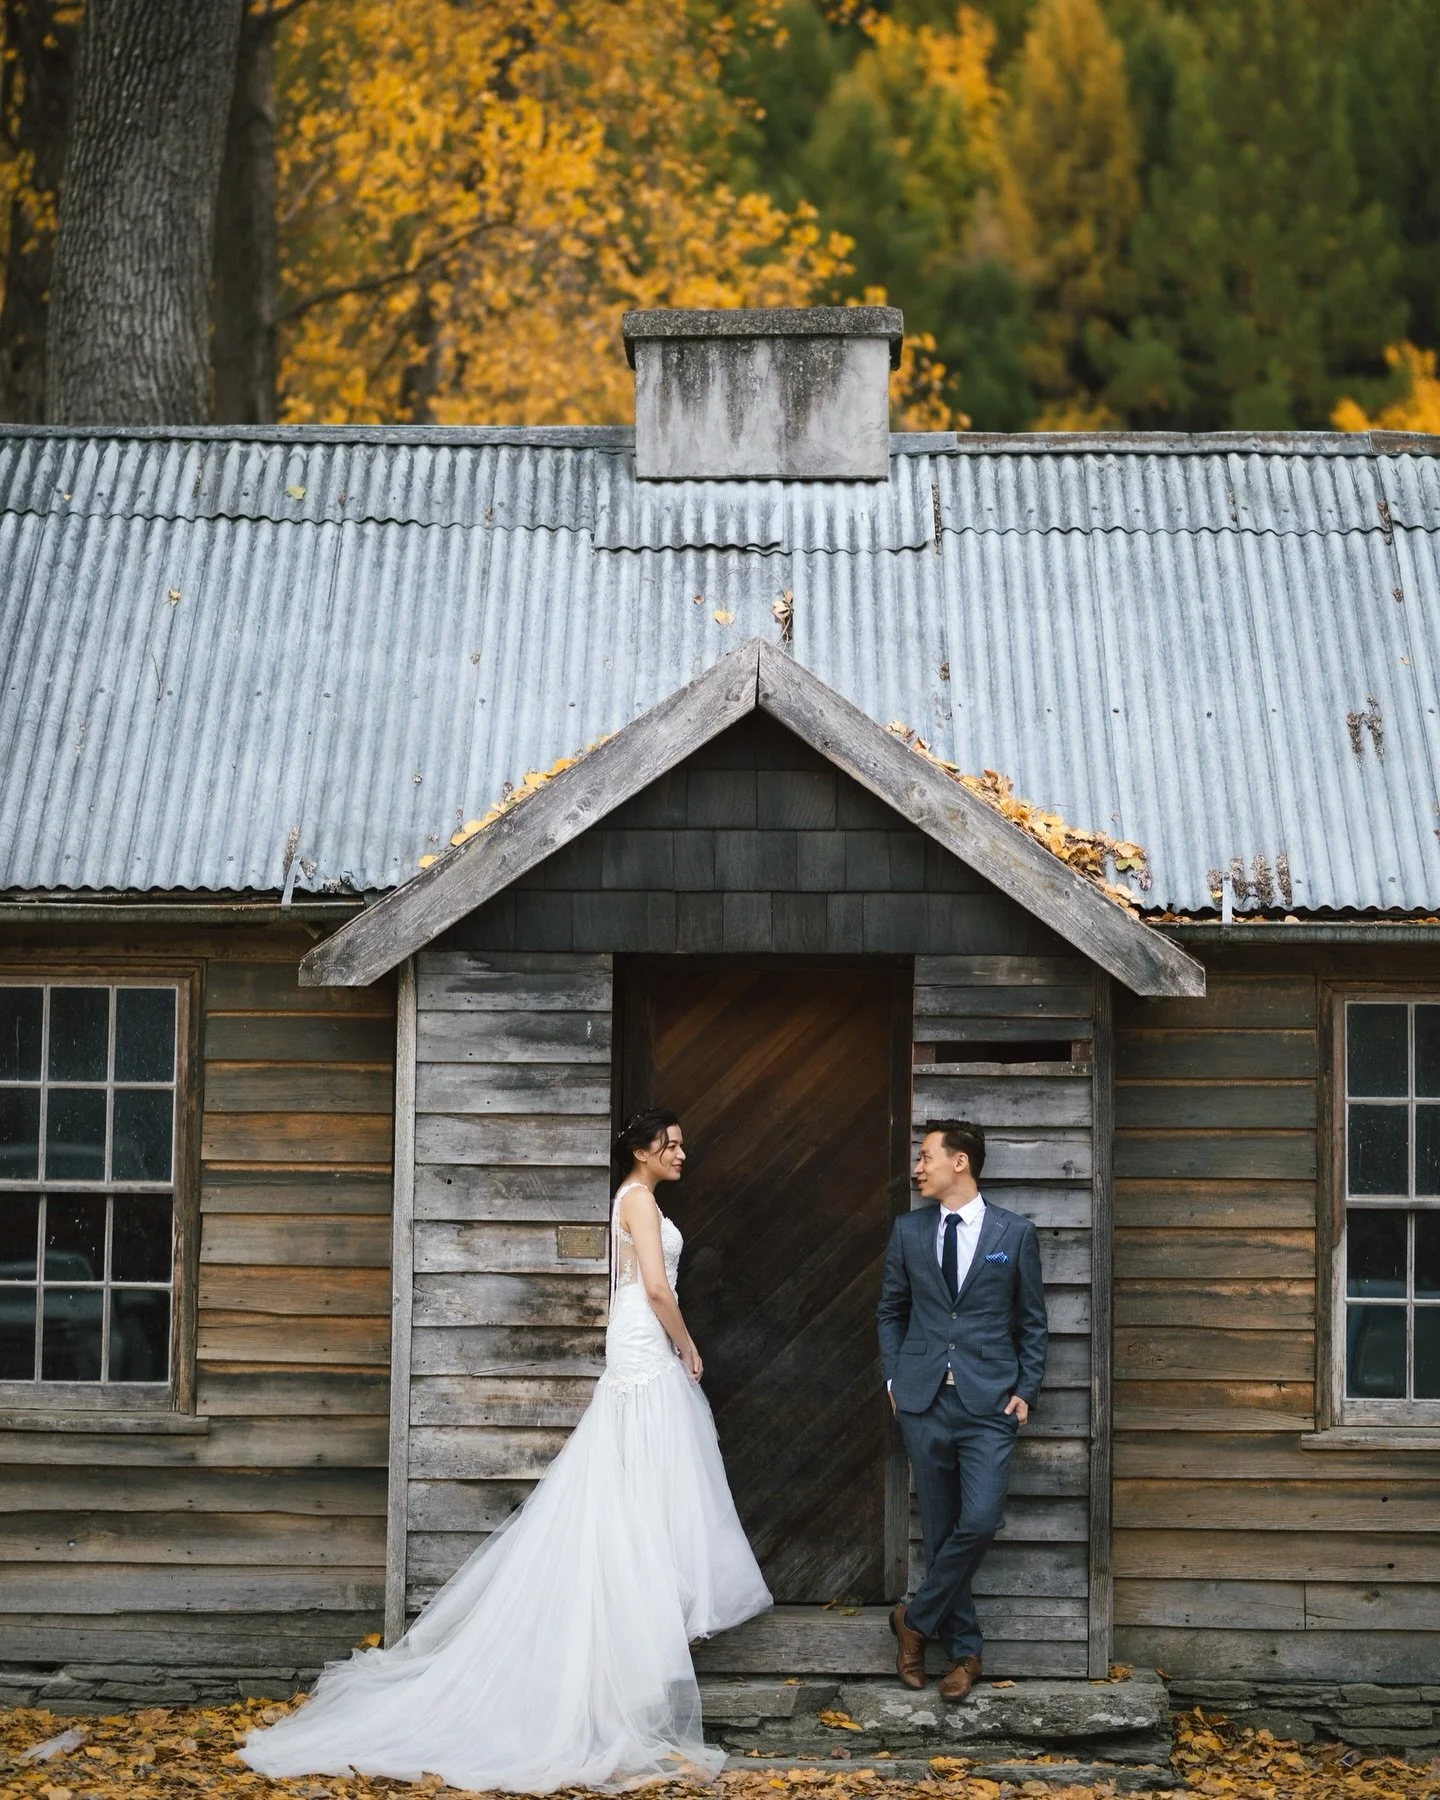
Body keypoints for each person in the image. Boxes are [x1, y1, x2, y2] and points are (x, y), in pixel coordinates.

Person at [241, 1108, 771, 1793]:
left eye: (680, 1144)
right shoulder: (638, 1200)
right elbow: (655, 1287)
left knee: (640, 1476)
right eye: (671, 1145)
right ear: (642, 1151)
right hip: (644, 1339)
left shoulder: (634, 1198)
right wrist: (688, 1346)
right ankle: (647, 1622)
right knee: (646, 1471)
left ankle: (649, 1619)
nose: (682, 1153)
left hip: (635, 1337)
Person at [876, 1120, 1047, 1700]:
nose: (917, 1168)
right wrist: (894, 1378)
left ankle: (914, 1620)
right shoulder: (908, 1231)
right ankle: (965, 1655)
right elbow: (890, 1311)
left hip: (988, 1404)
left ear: (960, 1162)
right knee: (941, 1530)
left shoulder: (1014, 1233)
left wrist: (1027, 1387)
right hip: (922, 1401)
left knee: (979, 1522)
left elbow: (1032, 1321)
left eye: (926, 1157)